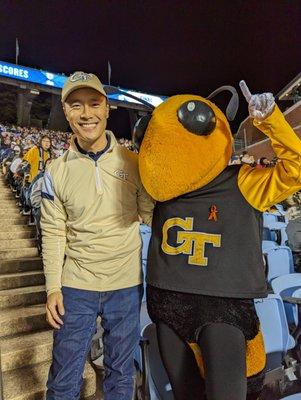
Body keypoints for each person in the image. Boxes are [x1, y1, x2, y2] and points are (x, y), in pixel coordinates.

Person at [40, 71, 154, 400]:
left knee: (120, 375)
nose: (86, 113)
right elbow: (52, 233)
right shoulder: (55, 171)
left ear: (107, 108)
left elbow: (150, 214)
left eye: (94, 104)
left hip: (126, 284)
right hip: (76, 287)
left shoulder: (134, 164)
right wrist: (52, 287)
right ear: (65, 110)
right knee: (64, 377)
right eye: (76, 105)